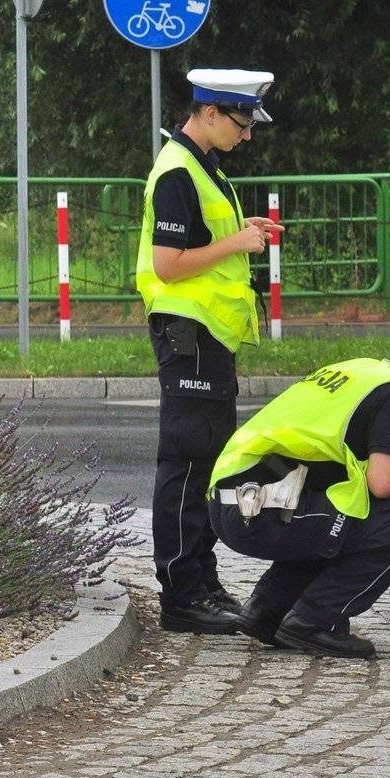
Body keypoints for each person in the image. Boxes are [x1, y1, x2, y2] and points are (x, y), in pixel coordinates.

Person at [207, 346, 390, 658]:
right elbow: (387, 482)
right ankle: (311, 620)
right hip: (262, 509)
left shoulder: (360, 372)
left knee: (345, 508)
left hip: (234, 503)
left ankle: (268, 611)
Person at [136, 67, 282, 634]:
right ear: (211, 113)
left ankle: (202, 580)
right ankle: (180, 595)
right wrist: (236, 242)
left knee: (208, 463)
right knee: (187, 462)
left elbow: (195, 240)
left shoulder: (203, 166)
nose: (246, 135)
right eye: (242, 123)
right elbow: (169, 266)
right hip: (188, 333)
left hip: (209, 337)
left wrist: (239, 228)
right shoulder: (176, 171)